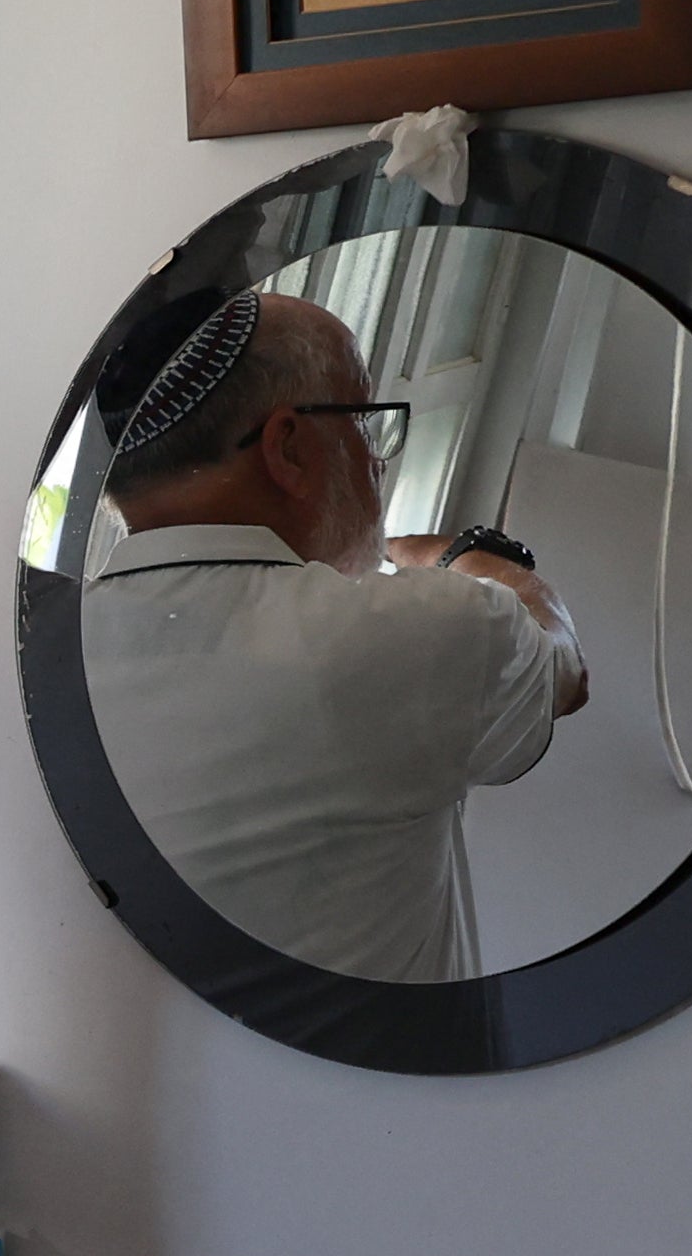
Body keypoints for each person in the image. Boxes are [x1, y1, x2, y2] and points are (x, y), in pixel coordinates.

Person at [73, 282, 584, 987]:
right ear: (287, 447)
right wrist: (474, 558)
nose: (376, 459)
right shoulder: (415, 632)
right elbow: (563, 666)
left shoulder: (42, 645)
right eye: (363, 423)